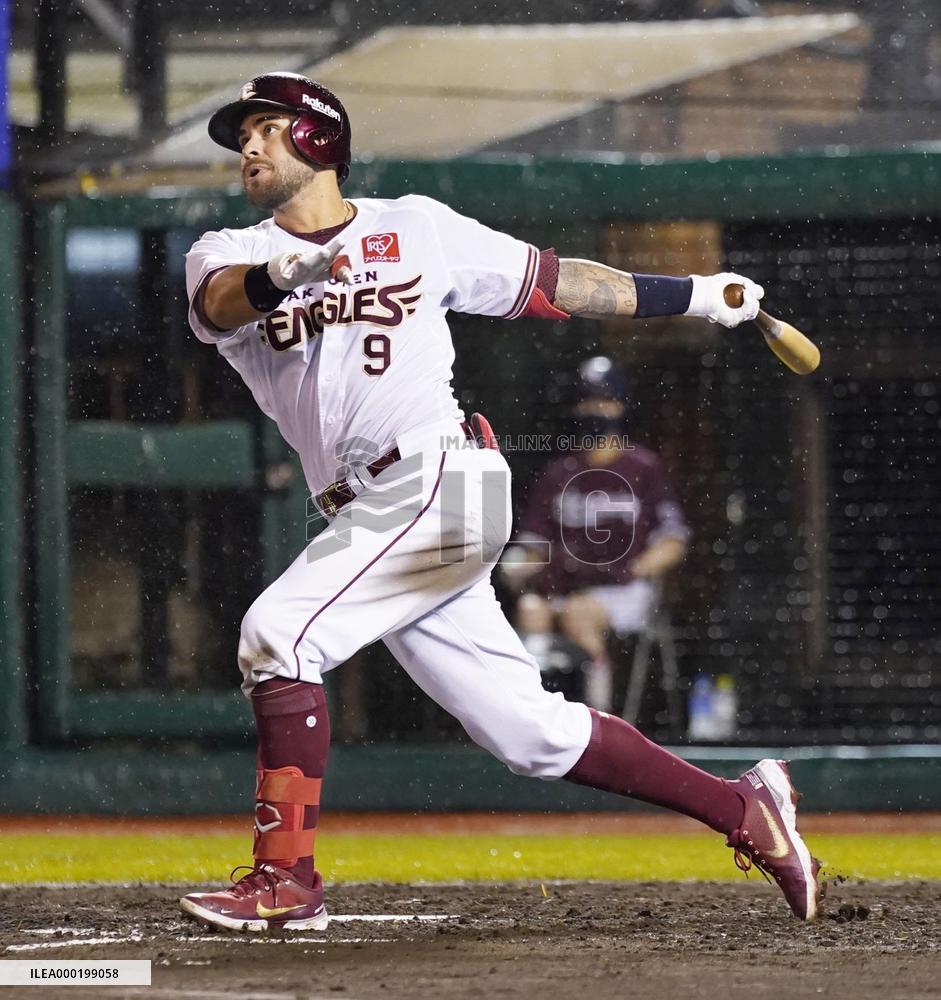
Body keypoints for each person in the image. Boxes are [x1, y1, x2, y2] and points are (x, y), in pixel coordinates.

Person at [179, 71, 820, 930]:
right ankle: (744, 807)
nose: (248, 146)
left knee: (277, 634)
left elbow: (557, 283)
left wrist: (700, 295)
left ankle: (284, 880)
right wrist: (279, 273)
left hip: (435, 480)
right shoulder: (225, 249)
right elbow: (220, 304)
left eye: (266, 127)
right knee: (530, 734)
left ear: (318, 136)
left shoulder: (415, 227)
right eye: (242, 135)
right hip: (367, 512)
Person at [502, 356, 689, 715]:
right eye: (587, 400)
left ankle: (599, 720)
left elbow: (673, 541)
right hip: (566, 583)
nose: (594, 409)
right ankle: (531, 718)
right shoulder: (560, 472)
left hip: (622, 588)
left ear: (620, 405)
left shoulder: (643, 467)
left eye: (604, 400)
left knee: (579, 614)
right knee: (531, 610)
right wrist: (518, 566)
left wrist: (636, 568)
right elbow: (535, 546)